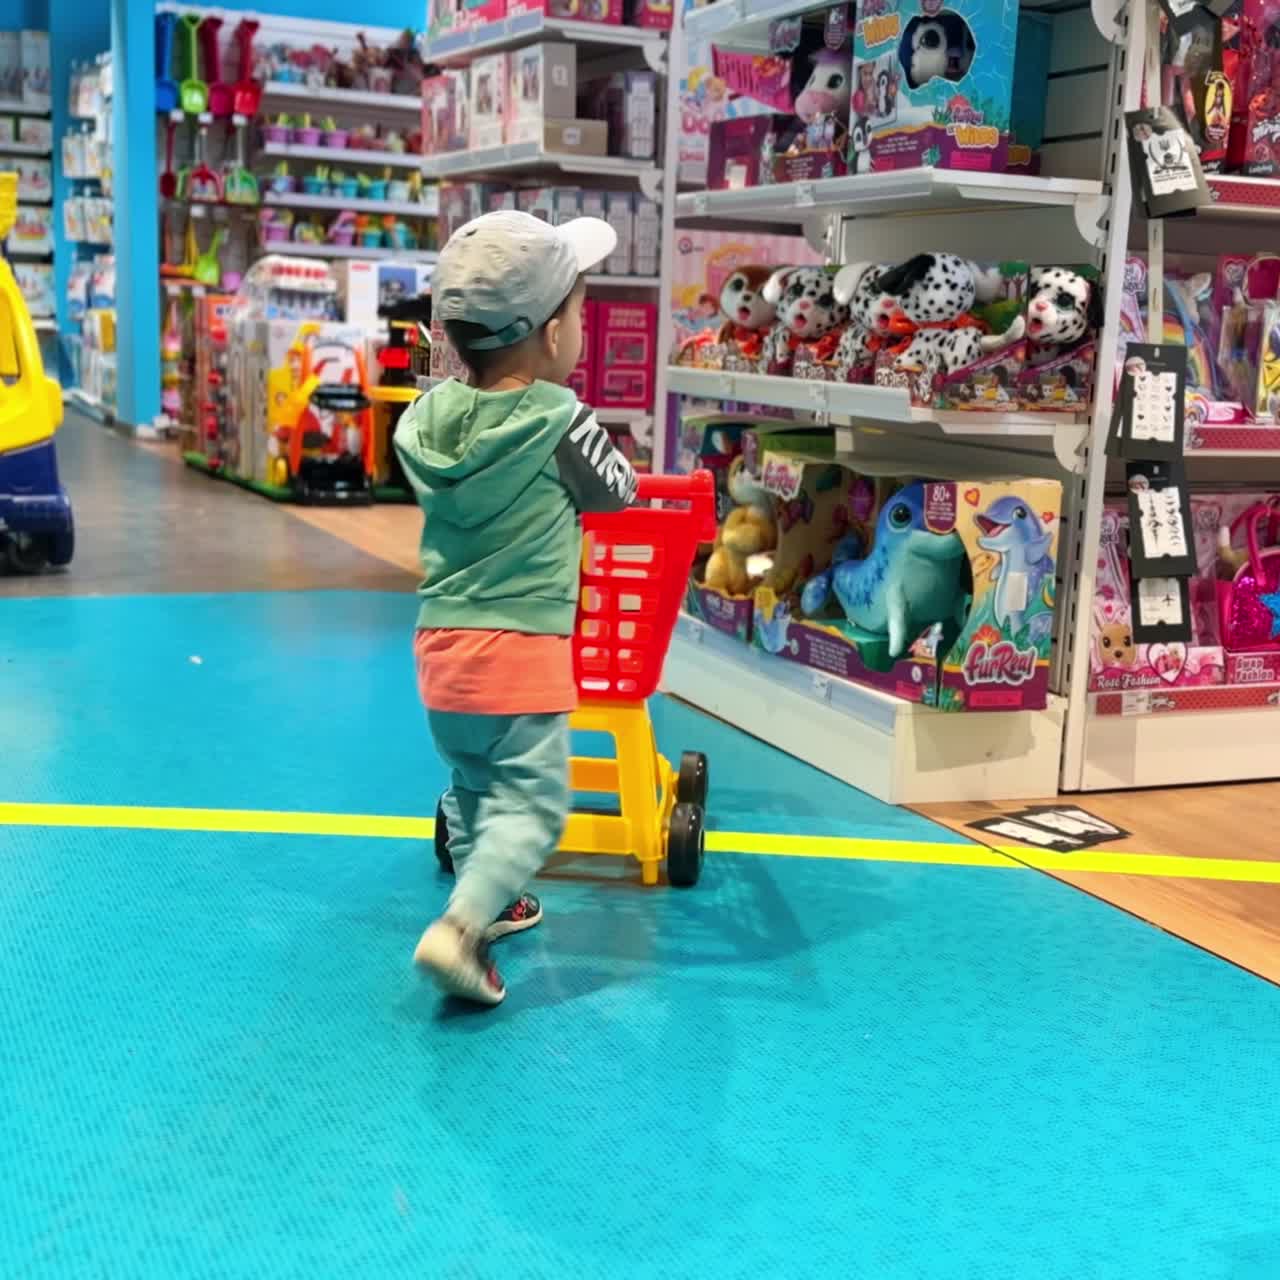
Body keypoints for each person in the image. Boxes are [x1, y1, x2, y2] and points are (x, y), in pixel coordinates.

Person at [394, 210, 638, 1007]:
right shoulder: (561, 420)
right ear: (547, 333)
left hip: (440, 650)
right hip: (523, 652)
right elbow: (618, 492)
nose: (582, 327)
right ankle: (461, 929)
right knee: (532, 803)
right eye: (577, 313)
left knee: (470, 785)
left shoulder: (423, 420)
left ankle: (491, 899)